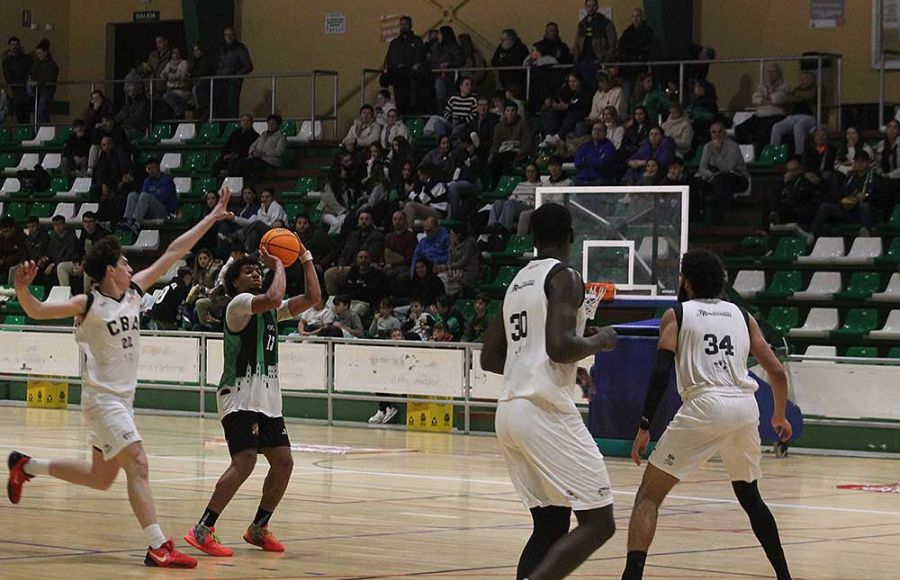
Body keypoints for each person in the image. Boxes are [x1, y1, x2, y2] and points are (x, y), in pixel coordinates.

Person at [7, 188, 235, 568]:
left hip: (121, 401)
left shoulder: (132, 292)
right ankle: (158, 546)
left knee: (100, 478)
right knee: (139, 463)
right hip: (103, 401)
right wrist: (21, 289)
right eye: (125, 262)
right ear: (110, 269)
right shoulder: (88, 304)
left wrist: (210, 218)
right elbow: (39, 311)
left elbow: (173, 253)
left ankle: (25, 465)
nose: (131, 267)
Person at [621, 249, 793, 580]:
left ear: (686, 280)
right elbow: (777, 373)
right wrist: (780, 416)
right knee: (750, 495)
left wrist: (645, 424)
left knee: (649, 496)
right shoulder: (743, 316)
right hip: (745, 408)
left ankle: (631, 576)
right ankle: (784, 575)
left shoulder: (677, 314)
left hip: (705, 404)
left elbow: (660, 373)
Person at [480, 202, 618, 580]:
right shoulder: (566, 277)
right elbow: (560, 347)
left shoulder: (517, 281)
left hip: (509, 410)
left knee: (550, 525)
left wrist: (535, 357)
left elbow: (490, 357)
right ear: (571, 237)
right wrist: (600, 340)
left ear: (534, 238)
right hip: (542, 410)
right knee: (599, 522)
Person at [184, 236, 320, 558]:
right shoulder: (238, 304)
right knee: (244, 462)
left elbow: (314, 297)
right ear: (234, 282)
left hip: (268, 399)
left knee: (284, 463)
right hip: (239, 395)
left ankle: (258, 527)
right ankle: (203, 528)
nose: (256, 274)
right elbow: (274, 296)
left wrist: (304, 255)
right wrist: (277, 263)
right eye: (248, 271)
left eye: (258, 270)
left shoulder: (272, 312)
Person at [691, 121, 749, 223]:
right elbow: (702, 168)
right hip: (715, 177)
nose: (717, 135)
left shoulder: (733, 147)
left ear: (725, 133)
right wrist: (712, 175)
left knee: (721, 181)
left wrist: (717, 152)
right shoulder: (707, 146)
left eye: (719, 132)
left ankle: (723, 216)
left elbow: (726, 168)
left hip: (738, 178)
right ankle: (697, 216)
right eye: (714, 132)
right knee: (695, 182)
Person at [381, 16, 427, 115]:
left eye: (405, 24)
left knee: (411, 103)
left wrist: (408, 66)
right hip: (398, 77)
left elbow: (419, 57)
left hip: (411, 77)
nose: (403, 26)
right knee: (399, 101)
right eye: (401, 24)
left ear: (410, 25)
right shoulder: (395, 43)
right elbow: (389, 58)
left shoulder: (417, 41)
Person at [120, 158, 177, 233]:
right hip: (150, 209)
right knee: (132, 195)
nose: (151, 171)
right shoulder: (147, 180)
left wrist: (150, 197)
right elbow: (142, 196)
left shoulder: (166, 180)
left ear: (158, 167)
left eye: (153, 168)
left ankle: (136, 224)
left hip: (165, 211)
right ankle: (128, 221)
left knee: (144, 196)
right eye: (149, 169)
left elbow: (163, 197)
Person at [769, 70, 818, 156]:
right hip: (793, 116)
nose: (803, 80)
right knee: (776, 127)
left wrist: (794, 98)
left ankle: (799, 154)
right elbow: (788, 99)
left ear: (812, 79)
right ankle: (774, 154)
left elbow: (805, 97)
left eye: (806, 78)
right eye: (801, 78)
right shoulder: (796, 90)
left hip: (809, 116)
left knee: (798, 127)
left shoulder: (817, 89)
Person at [489, 101, 533, 190]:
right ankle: (495, 186)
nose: (510, 113)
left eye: (513, 111)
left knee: (504, 160)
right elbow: (496, 143)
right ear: (504, 112)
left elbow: (527, 143)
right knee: (494, 160)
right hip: (502, 152)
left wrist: (519, 154)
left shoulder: (523, 125)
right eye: (508, 110)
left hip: (517, 153)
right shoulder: (499, 126)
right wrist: (492, 153)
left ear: (516, 112)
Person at [215, 26, 254, 119]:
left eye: (230, 35)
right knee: (220, 108)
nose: (228, 37)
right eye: (226, 35)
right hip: (220, 82)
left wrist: (235, 77)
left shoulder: (240, 48)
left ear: (234, 36)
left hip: (233, 83)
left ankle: (231, 128)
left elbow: (248, 66)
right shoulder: (221, 48)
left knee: (232, 108)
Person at [573, 0, 618, 65]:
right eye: (588, 6)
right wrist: (576, 56)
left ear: (597, 7)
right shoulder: (581, 24)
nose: (591, 8)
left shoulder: (605, 23)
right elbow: (577, 42)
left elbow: (613, 43)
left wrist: (607, 58)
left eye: (593, 6)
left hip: (600, 59)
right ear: (585, 7)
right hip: (583, 60)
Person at [574, 121, 617, 186]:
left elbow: (602, 164)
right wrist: (595, 161)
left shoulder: (609, 147)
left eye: (600, 130)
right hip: (583, 179)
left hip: (600, 179)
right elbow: (577, 163)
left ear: (605, 133)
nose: (597, 132)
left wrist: (586, 161)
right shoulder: (584, 146)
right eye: (595, 129)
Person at [28, 39, 58, 123]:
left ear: (45, 53)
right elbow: (30, 73)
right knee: (39, 111)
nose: (38, 55)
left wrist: (38, 82)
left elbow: (50, 77)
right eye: (37, 53)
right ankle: (41, 128)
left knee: (41, 109)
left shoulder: (51, 64)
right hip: (38, 90)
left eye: (40, 53)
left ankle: (45, 128)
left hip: (47, 89)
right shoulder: (36, 64)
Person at [3, 37, 32, 123]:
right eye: (12, 44)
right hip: (16, 88)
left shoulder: (26, 58)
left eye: (16, 44)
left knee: (26, 111)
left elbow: (30, 70)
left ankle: (26, 130)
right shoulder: (7, 61)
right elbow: (7, 75)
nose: (14, 47)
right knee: (18, 111)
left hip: (25, 88)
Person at [160, 46, 191, 118]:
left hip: (181, 90)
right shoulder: (169, 64)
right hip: (170, 89)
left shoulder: (184, 63)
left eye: (177, 53)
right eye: (174, 53)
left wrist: (169, 76)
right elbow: (162, 74)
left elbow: (182, 75)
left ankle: (179, 111)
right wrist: (169, 76)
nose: (175, 55)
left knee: (166, 96)